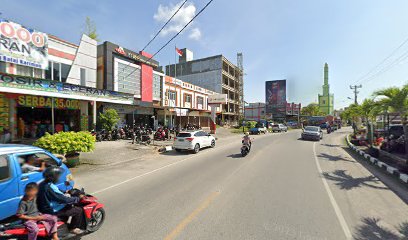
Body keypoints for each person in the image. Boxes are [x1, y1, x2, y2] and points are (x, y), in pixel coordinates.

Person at [37, 167, 84, 235]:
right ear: (53, 177)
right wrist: (77, 198)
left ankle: (63, 224)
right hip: (53, 210)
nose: (58, 178)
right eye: (57, 176)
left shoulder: (43, 184)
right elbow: (63, 199)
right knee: (78, 210)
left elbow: (56, 193)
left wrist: (64, 192)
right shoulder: (49, 187)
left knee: (68, 206)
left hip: (43, 208)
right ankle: (73, 228)